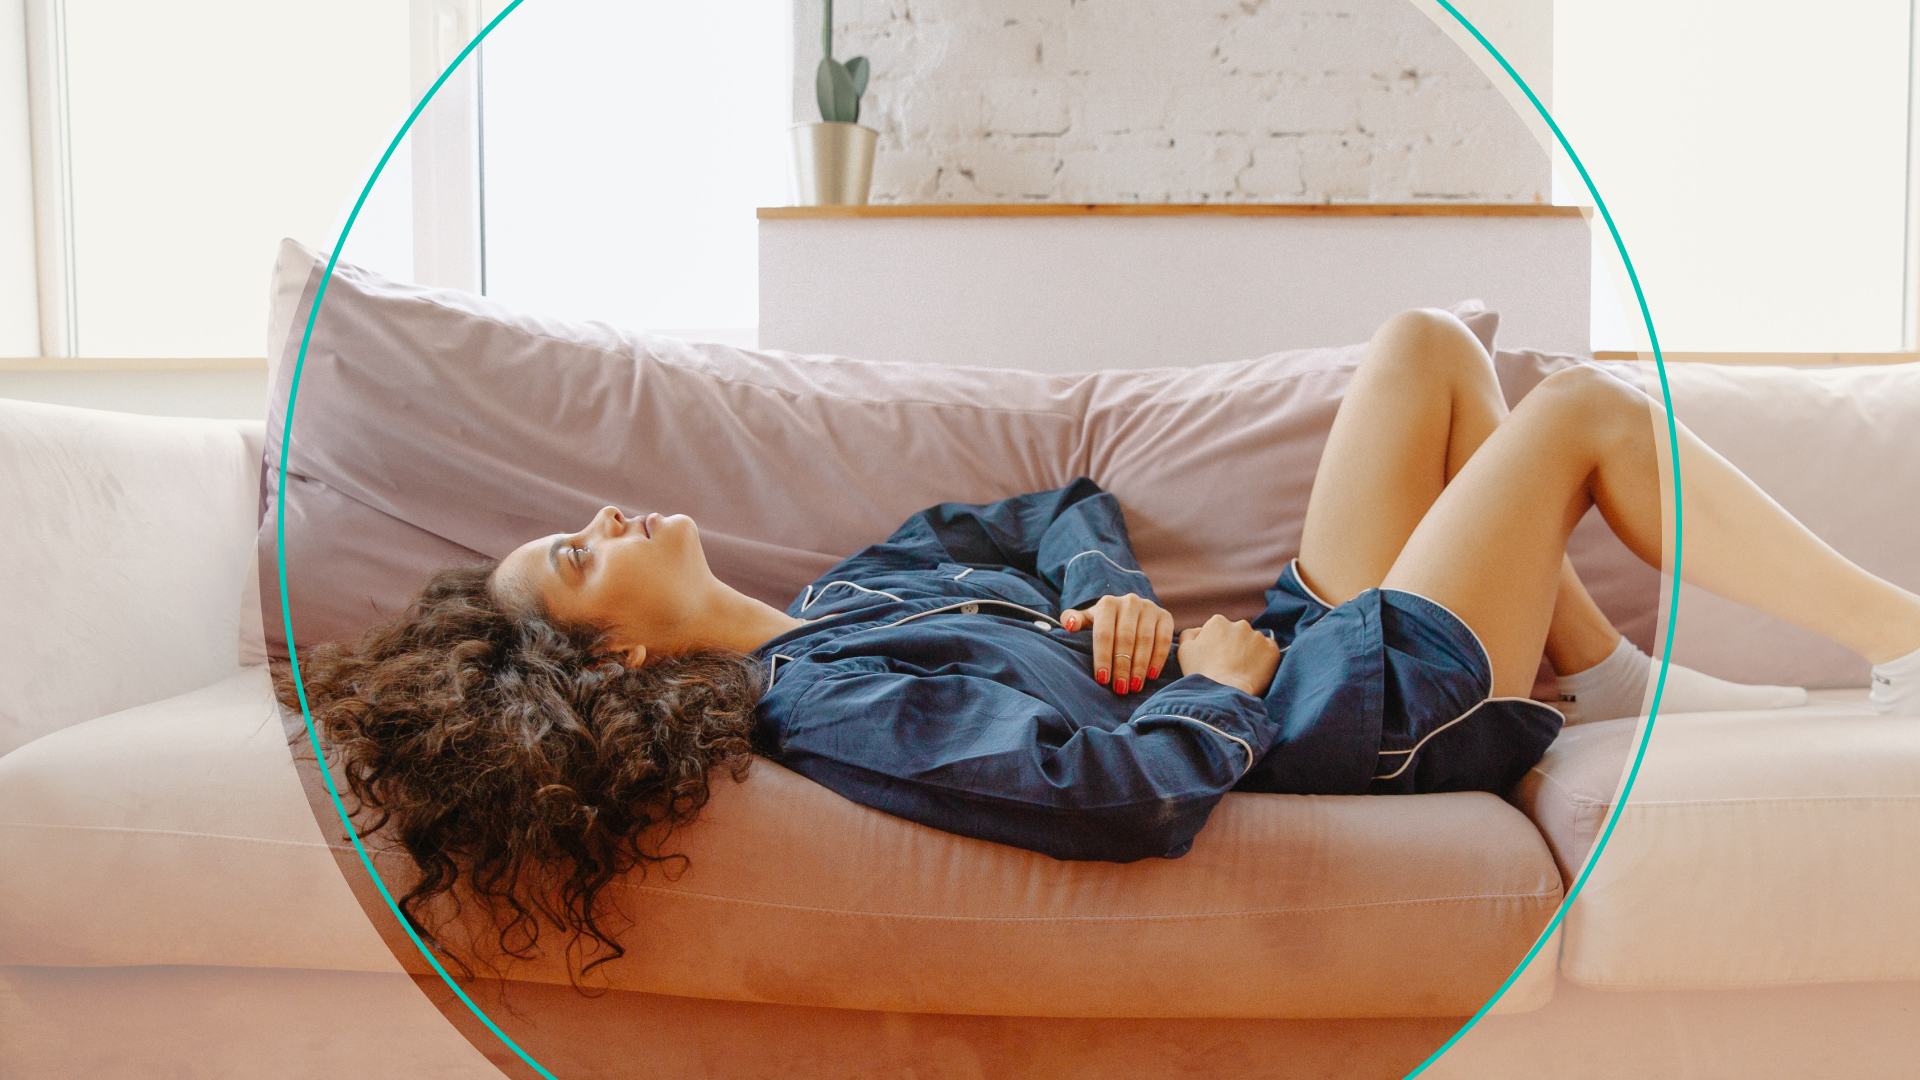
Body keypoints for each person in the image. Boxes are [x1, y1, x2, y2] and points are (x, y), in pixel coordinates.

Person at [283, 309, 1920, 970]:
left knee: (1424, 352)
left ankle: (1632, 692)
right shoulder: (823, 711)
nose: (609, 516)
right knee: (1573, 410)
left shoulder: (854, 595)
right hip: (1316, 723)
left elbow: (1049, 499)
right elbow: (1110, 796)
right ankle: (1904, 641)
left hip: (1283, 641)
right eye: (580, 558)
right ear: (618, 662)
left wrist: (1095, 592)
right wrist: (1208, 695)